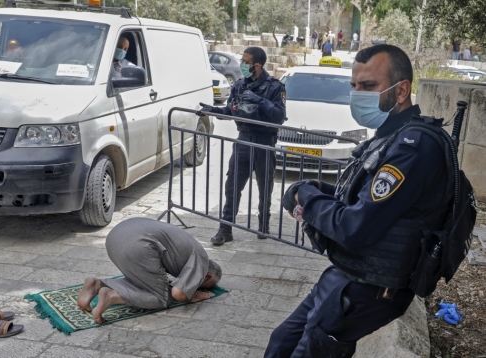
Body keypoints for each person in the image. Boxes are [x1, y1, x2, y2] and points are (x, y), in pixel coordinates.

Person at [265, 44, 450, 357]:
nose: (357, 94)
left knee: (307, 349)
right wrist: (313, 188)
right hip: (348, 273)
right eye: (354, 86)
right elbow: (359, 197)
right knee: (282, 341)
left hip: (372, 286)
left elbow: (354, 227)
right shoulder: (390, 134)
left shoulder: (413, 148)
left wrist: (306, 196)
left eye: (368, 86)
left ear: (401, 90)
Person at [197, 47, 286, 245]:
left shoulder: (275, 87)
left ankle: (264, 225)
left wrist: (260, 101)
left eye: (245, 62)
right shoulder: (239, 86)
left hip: (264, 143)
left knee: (265, 186)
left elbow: (279, 117)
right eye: (242, 61)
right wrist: (213, 110)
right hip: (243, 140)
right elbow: (231, 110)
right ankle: (225, 229)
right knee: (232, 186)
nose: (242, 65)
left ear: (257, 66)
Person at [77, 217, 223, 323]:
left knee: (142, 280)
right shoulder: (201, 260)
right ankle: (111, 296)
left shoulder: (190, 247)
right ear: (207, 276)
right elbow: (178, 293)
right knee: (163, 298)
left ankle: (98, 284)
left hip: (114, 238)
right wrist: (193, 296)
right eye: (201, 285)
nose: (196, 286)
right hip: (137, 247)